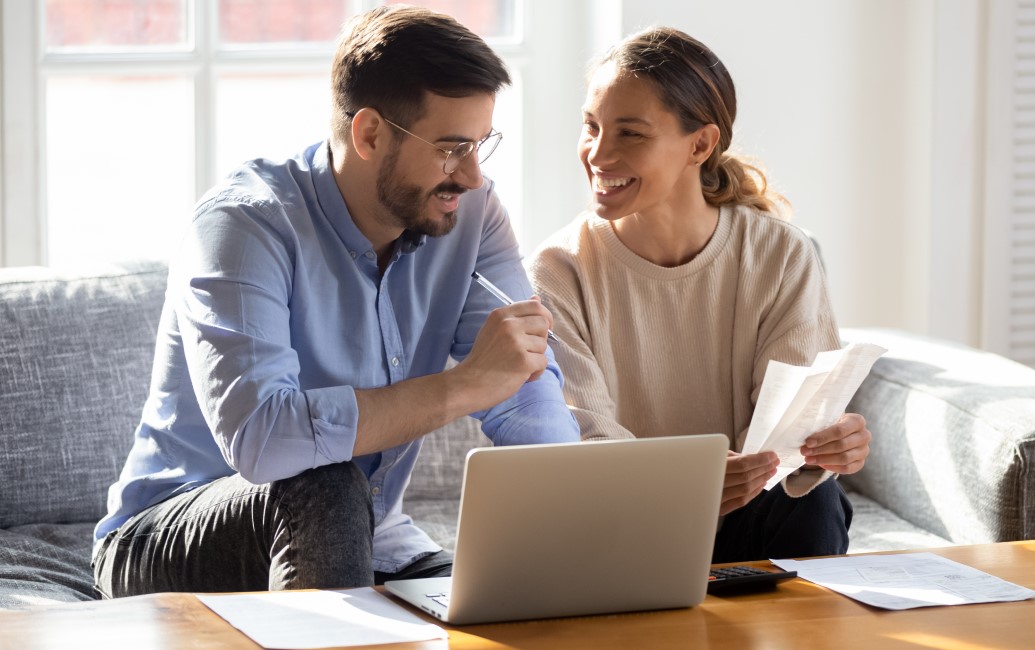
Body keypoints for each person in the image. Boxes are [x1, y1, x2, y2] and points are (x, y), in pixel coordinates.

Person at [92, 5, 577, 597]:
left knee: (515, 603)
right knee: (324, 482)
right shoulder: (244, 227)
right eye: (452, 148)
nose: (472, 176)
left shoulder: (471, 213)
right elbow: (264, 440)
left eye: (481, 145)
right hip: (168, 533)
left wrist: (575, 515)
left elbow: (524, 384)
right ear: (369, 133)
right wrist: (463, 386)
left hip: (372, 537)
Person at [526, 27, 871, 562]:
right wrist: (690, 485)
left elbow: (789, 434)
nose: (598, 153)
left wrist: (825, 448)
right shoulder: (557, 270)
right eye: (590, 127)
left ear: (701, 144)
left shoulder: (781, 254)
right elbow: (584, 441)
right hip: (623, 524)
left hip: (751, 512)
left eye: (630, 134)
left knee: (814, 502)